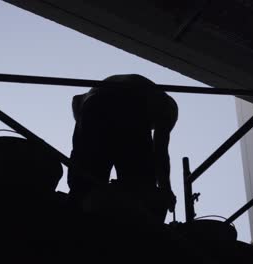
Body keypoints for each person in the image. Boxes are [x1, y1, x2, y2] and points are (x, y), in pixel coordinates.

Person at [67, 74, 178, 216]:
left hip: (92, 105)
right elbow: (160, 151)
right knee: (141, 186)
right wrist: (165, 189)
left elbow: (76, 100)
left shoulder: (144, 91)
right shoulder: (167, 107)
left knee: (85, 183)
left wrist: (85, 139)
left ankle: (74, 214)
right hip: (129, 103)